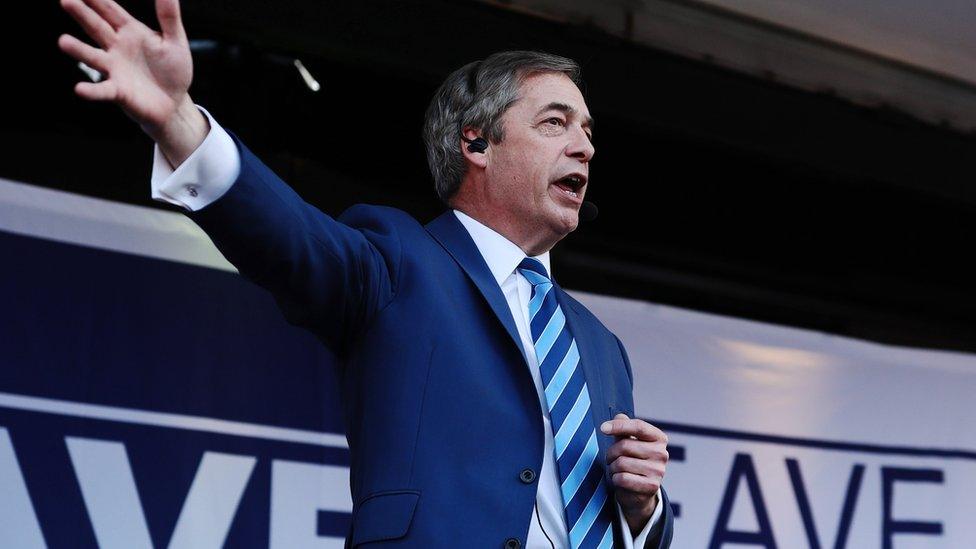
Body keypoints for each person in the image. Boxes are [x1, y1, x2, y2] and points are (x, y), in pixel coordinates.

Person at [58, 0, 674, 547]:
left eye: (587, 131)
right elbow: (289, 237)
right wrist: (178, 121)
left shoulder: (600, 346)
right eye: (555, 123)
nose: (585, 147)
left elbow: (628, 525)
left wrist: (643, 508)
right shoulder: (399, 260)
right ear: (477, 144)